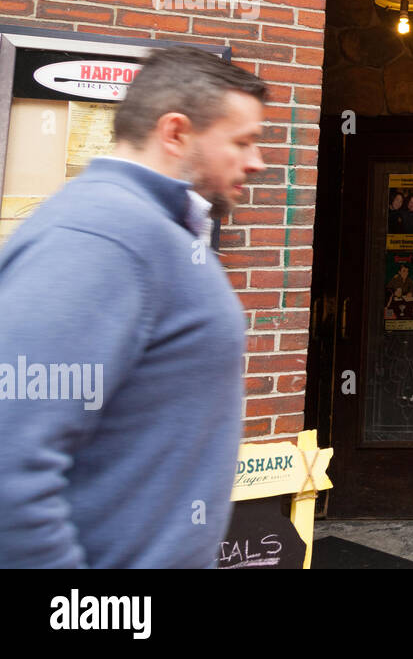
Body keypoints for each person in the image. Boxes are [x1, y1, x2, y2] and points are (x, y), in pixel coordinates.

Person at [0, 45, 267, 567]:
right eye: (242, 141)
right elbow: (10, 461)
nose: (257, 162)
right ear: (175, 132)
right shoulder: (102, 236)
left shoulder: (155, 228)